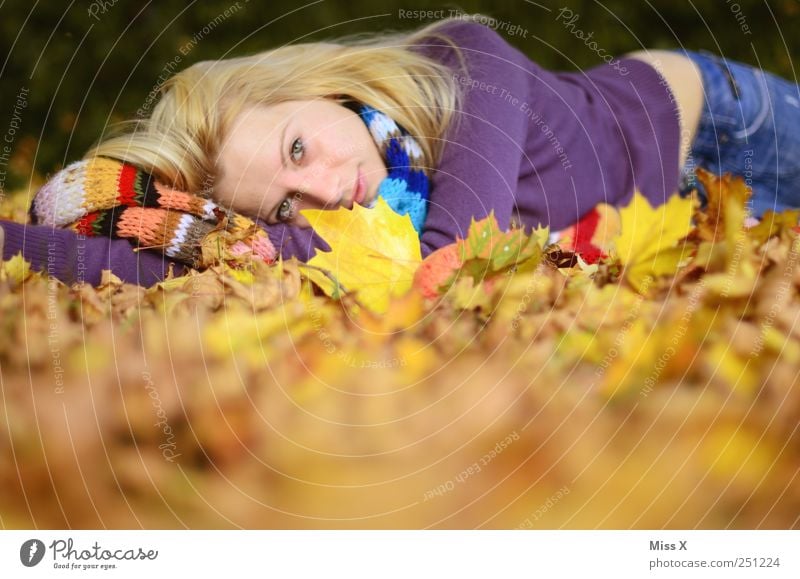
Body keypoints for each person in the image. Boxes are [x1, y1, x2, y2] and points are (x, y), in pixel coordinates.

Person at [2, 14, 799, 286]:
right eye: (283, 203)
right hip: (696, 228)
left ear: (316, 85)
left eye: (299, 146)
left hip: (722, 130)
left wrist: (262, 242)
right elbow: (190, 265)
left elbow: (449, 260)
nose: (319, 193)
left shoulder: (465, 62)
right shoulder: (368, 223)